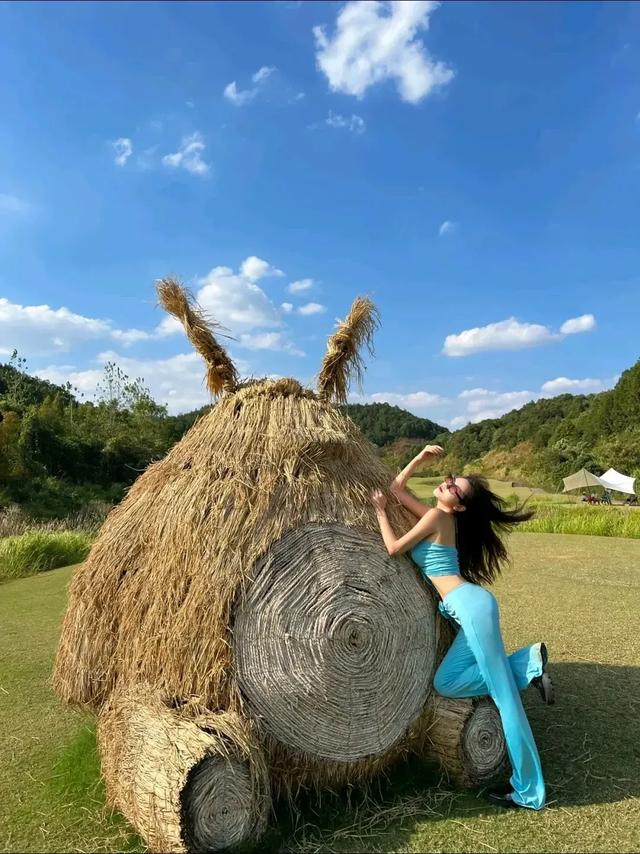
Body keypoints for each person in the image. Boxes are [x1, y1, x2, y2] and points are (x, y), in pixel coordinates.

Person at [370, 444, 554, 811]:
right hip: (470, 606)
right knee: (447, 682)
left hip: (471, 608)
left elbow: (392, 548)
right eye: (452, 479)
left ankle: (528, 790)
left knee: (506, 702)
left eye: (456, 488)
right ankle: (526, 666)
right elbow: (397, 490)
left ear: (460, 506)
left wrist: (379, 513)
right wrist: (420, 459)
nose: (448, 483)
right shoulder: (439, 517)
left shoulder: (437, 519)